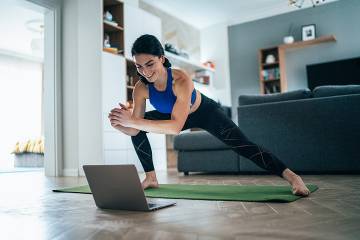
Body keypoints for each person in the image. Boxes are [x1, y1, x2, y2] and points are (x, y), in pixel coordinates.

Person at [108, 34, 310, 196]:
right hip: (173, 116)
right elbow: (136, 128)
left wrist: (133, 120)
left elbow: (176, 127)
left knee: (243, 145)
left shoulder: (180, 79)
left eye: (150, 64)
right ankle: (151, 177)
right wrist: (121, 123)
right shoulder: (140, 88)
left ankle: (294, 178)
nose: (144, 71)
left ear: (161, 58)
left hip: (205, 112)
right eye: (138, 66)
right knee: (138, 131)